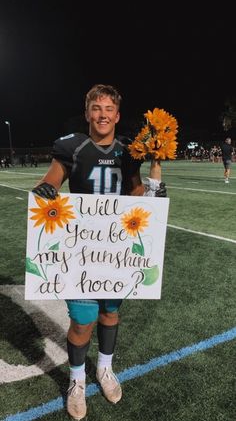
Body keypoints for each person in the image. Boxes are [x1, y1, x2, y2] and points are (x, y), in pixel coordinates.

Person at [32, 84, 166, 420]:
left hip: (115, 248)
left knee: (110, 314)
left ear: (117, 116)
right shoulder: (72, 147)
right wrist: (46, 189)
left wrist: (152, 198)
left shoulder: (127, 151)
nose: (102, 114)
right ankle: (77, 380)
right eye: (97, 108)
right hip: (81, 248)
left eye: (109, 109)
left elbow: (135, 191)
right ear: (88, 112)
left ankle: (104, 369)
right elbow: (51, 180)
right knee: (82, 322)